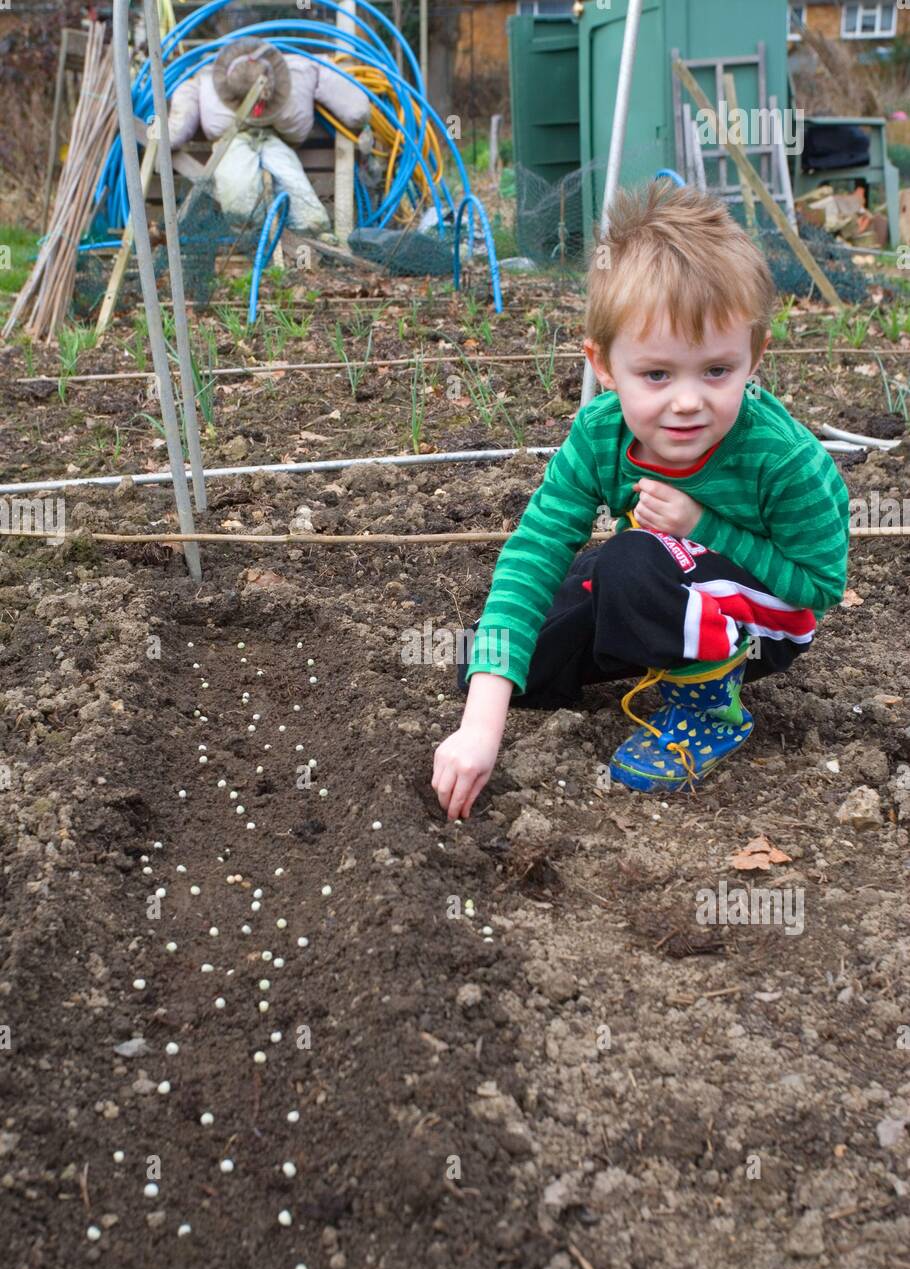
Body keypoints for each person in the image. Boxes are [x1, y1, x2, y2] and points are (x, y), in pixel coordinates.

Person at [433, 180, 850, 817]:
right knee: (512, 659)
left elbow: (818, 589)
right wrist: (480, 723)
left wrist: (705, 523)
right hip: (667, 575)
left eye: (716, 370)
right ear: (604, 366)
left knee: (629, 560)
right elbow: (536, 550)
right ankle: (642, 643)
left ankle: (711, 709)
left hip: (769, 624)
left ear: (753, 355)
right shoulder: (601, 434)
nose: (687, 400)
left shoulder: (787, 460)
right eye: (656, 374)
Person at [167, 38, 371, 233]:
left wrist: (360, 118)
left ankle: (310, 236)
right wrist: (162, 138)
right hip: (232, 142)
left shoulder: (301, 70)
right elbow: (178, 123)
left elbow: (355, 110)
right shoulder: (204, 76)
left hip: (277, 141)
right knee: (240, 204)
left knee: (307, 211)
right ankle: (252, 237)